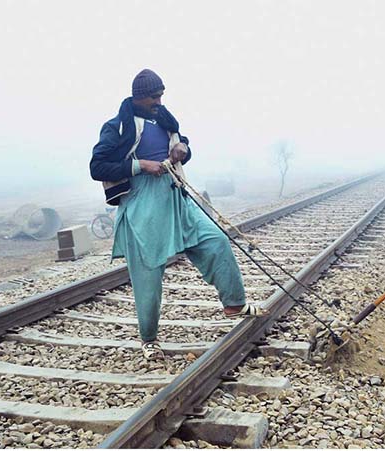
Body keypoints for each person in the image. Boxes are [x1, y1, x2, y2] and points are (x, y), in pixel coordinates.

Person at [89, 69, 263, 361]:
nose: (159, 100)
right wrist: (140, 165)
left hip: (175, 195)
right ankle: (149, 340)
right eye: (154, 96)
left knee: (215, 241)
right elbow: (98, 167)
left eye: (161, 95)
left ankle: (234, 304)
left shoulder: (165, 118)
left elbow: (182, 142)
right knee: (148, 276)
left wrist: (183, 148)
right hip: (143, 204)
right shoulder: (116, 126)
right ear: (139, 96)